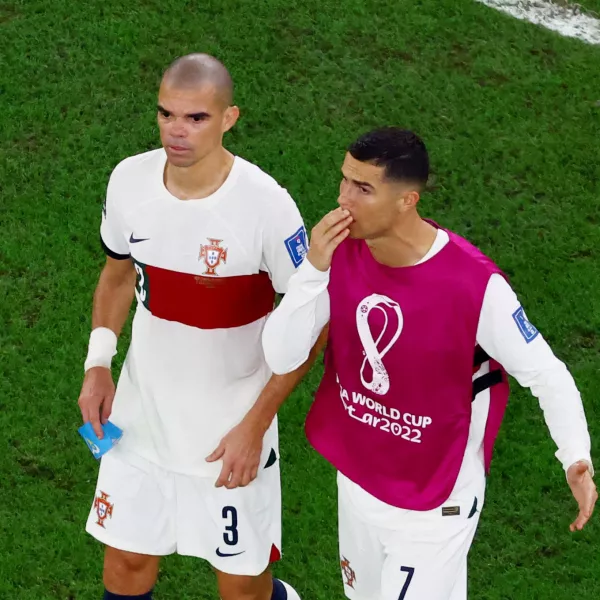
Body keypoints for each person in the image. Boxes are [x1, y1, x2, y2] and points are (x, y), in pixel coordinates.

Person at [261, 127, 597, 600]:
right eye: (344, 181)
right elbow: (280, 354)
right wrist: (313, 270)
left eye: (363, 188)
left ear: (407, 200)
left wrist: (575, 456)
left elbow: (546, 373)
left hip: (435, 506)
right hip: (357, 484)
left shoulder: (474, 286)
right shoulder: (337, 255)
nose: (343, 199)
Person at [78, 53, 310, 600]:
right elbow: (115, 279)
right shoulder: (129, 180)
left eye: (196, 118)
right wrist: (98, 365)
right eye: (166, 114)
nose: (176, 131)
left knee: (240, 587)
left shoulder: (266, 206)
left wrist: (255, 426)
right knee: (127, 565)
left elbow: (310, 322)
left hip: (229, 432)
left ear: (229, 117)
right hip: (141, 417)